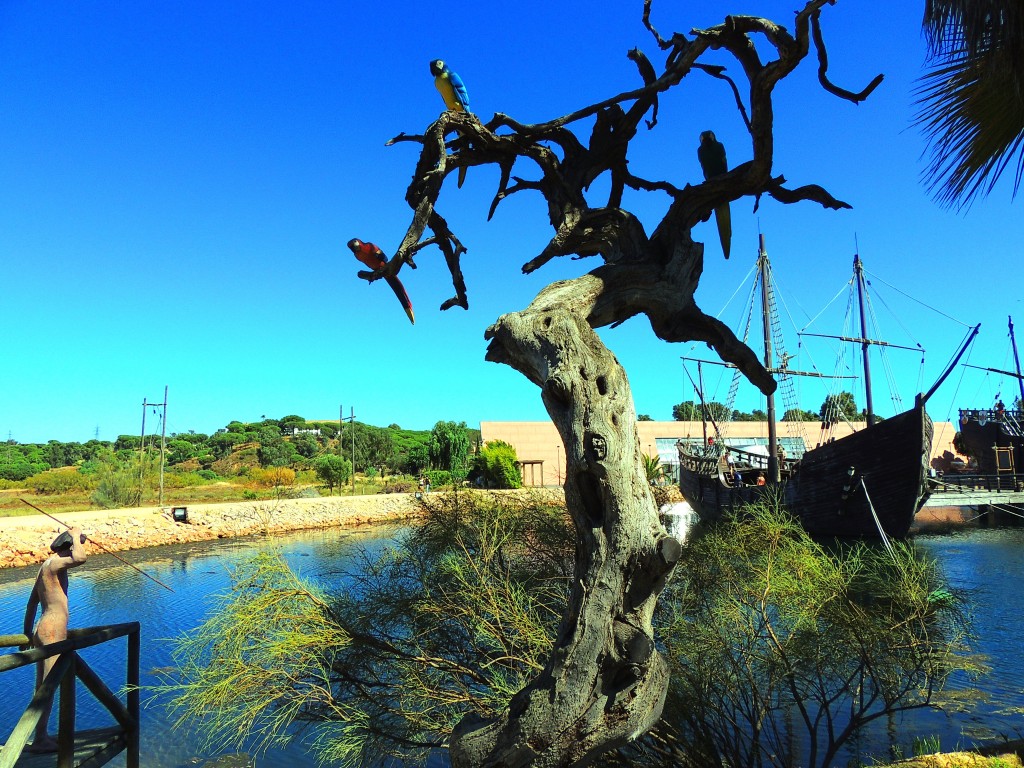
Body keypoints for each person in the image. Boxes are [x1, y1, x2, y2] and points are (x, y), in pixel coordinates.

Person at [22, 528, 87, 753]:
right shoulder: (56, 564)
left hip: (42, 628)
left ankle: (39, 735)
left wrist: (27, 634)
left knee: (42, 686)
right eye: (76, 545)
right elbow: (80, 558)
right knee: (49, 685)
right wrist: (76, 534)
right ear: (69, 547)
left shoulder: (45, 567)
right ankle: (40, 739)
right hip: (52, 630)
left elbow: (31, 604)